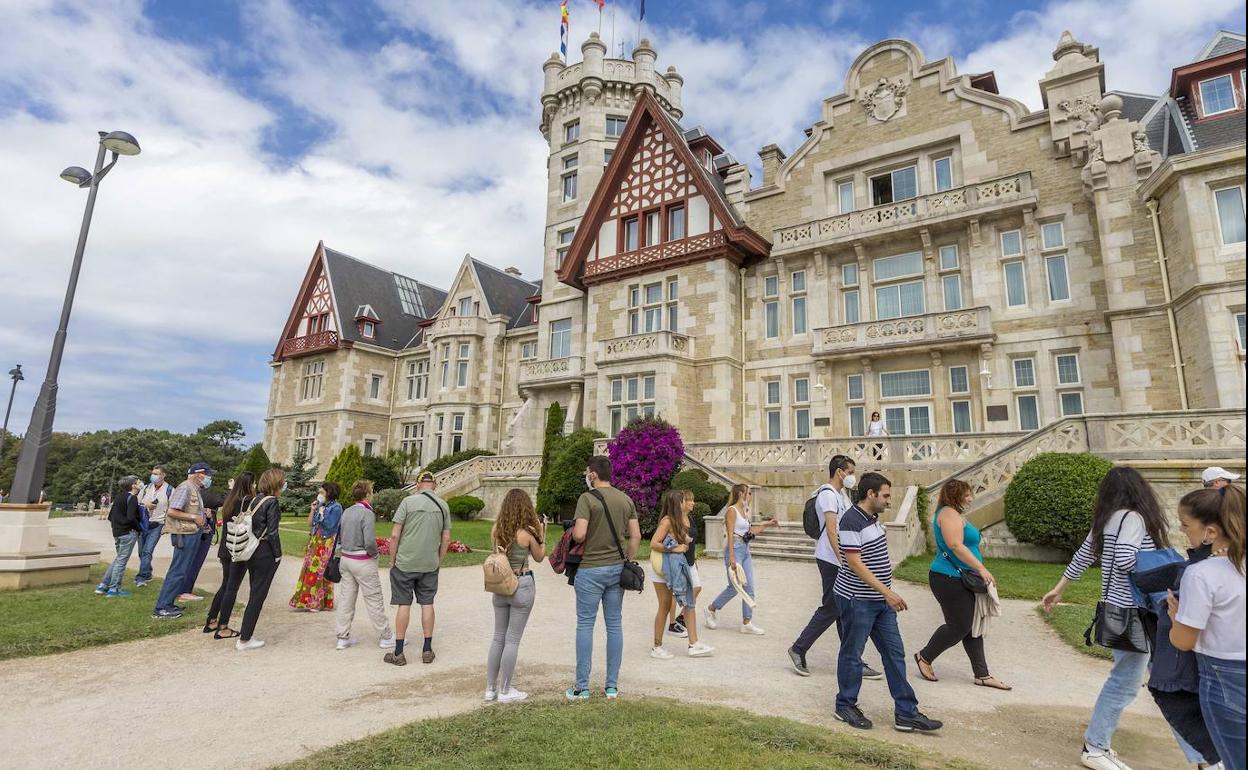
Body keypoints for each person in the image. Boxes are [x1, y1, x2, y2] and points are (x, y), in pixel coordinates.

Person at [1042, 466, 1173, 770]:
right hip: (1133, 611)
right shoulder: (1135, 518)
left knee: (1127, 677)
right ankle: (1095, 746)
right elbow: (1127, 558)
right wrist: (1159, 567)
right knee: (1124, 682)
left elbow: (1083, 555)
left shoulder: (1107, 519)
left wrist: (1059, 588)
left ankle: (1099, 743)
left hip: (1114, 609)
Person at [834, 472, 942, 732]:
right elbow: (854, 562)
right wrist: (887, 592)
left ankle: (906, 712)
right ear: (870, 494)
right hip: (857, 599)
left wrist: (885, 594)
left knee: (895, 653)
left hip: (880, 602)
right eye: (885, 495)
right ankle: (845, 705)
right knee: (852, 654)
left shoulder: (872, 518)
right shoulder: (850, 520)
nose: (889, 500)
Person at [1169, 485, 1245, 770]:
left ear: (1210, 532)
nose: (1182, 530)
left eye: (1186, 525)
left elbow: (1183, 641)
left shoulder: (1201, 573)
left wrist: (1176, 619)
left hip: (1224, 676)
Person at [789, 455, 880, 679]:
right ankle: (798, 648)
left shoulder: (841, 496)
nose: (852, 476)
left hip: (837, 558)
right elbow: (831, 530)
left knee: (843, 610)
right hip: (831, 559)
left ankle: (854, 660)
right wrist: (844, 560)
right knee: (832, 607)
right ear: (839, 471)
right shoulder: (828, 495)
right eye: (850, 472)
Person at [914, 479, 1010, 689]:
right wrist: (981, 568)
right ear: (954, 495)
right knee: (960, 625)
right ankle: (924, 656)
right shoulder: (948, 513)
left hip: (959, 578)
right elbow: (955, 545)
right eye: (966, 495)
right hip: (948, 578)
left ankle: (982, 674)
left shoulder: (952, 513)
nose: (970, 499)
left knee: (969, 626)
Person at [566, 455, 641, 702]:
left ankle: (582, 687)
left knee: (585, 624)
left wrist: (573, 530)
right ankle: (611, 686)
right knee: (614, 625)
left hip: (590, 568)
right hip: (615, 569)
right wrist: (627, 559)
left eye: (588, 472)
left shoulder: (587, 499)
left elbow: (579, 535)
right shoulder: (625, 499)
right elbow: (636, 536)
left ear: (594, 475)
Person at [485, 488, 546, 703]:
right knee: (512, 639)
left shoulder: (496, 529)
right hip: (522, 583)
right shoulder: (527, 533)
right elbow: (539, 557)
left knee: (498, 637)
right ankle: (505, 689)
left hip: (501, 585)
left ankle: (490, 688)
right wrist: (542, 535)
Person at [215, 468, 284, 651]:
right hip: (264, 552)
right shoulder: (272, 502)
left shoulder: (254, 499)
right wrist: (278, 554)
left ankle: (244, 634)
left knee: (253, 591)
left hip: (249, 549)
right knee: (258, 595)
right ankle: (246, 638)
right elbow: (273, 532)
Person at [386, 471, 450, 666]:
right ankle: (427, 649)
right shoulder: (443, 505)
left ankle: (398, 652)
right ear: (435, 485)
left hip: (405, 562)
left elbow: (395, 535)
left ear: (417, 484)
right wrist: (438, 560)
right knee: (427, 603)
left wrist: (392, 559)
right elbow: (446, 538)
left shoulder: (408, 502)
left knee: (404, 604)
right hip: (429, 563)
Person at [650, 489, 714, 659]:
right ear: (676, 504)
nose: (685, 502)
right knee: (664, 606)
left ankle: (694, 643)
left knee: (689, 603)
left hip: (678, 567)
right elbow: (653, 543)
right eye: (682, 500)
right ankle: (657, 647)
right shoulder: (667, 521)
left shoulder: (680, 520)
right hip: (663, 568)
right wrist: (674, 548)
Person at [706, 484, 777, 634]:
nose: (751, 496)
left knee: (749, 587)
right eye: (749, 493)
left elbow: (749, 531)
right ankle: (711, 609)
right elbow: (731, 534)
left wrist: (767, 524)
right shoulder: (731, 511)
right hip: (735, 550)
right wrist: (732, 557)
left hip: (745, 550)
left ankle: (747, 622)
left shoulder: (744, 511)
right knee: (734, 588)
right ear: (741, 494)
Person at [335, 480, 395, 652]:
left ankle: (342, 637)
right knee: (374, 598)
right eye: (372, 491)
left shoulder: (347, 511)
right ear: (367, 494)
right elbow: (369, 540)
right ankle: (385, 636)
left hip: (346, 559)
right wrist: (374, 553)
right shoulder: (367, 513)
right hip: (362, 560)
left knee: (346, 599)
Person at [153, 462, 215, 619]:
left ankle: (168, 603)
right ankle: (162, 607)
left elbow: (187, 508)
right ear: (199, 474)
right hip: (185, 534)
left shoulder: (193, 488)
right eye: (208, 475)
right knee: (178, 570)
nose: (209, 478)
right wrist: (194, 517)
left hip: (191, 533)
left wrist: (202, 513)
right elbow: (172, 511)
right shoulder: (185, 487)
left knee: (182, 569)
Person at [203, 472, 254, 638]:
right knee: (232, 587)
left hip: (226, 547)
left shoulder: (229, 501)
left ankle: (212, 620)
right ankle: (223, 626)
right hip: (237, 548)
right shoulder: (246, 502)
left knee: (225, 585)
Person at [290, 481, 342, 612]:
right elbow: (310, 523)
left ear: (329, 493)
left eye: (322, 492)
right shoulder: (321, 506)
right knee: (310, 570)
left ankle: (317, 603)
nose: (320, 494)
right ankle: (305, 600)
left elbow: (330, 525)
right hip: (315, 540)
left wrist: (321, 514)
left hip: (326, 543)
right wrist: (313, 510)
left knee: (320, 571)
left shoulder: (336, 508)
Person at [96, 476, 143, 597]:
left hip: (117, 532)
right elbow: (131, 517)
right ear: (133, 485)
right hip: (128, 533)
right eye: (138, 482)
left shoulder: (119, 497)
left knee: (119, 559)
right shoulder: (132, 498)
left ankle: (104, 585)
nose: (140, 483)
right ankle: (114, 589)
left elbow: (111, 516)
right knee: (121, 561)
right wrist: (139, 528)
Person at [177, 484, 221, 604]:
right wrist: (231, 488)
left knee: (187, 561)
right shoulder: (197, 492)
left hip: (189, 530)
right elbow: (220, 500)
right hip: (197, 531)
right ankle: (184, 590)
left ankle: (180, 589)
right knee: (194, 561)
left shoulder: (187, 490)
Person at [135, 466, 172, 588]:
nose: (153, 476)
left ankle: (141, 577)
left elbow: (171, 509)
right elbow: (137, 502)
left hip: (157, 524)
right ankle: (148, 572)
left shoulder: (170, 490)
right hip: (143, 523)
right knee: (141, 552)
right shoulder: (146, 488)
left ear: (163, 475)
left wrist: (166, 526)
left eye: (156, 474)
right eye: (152, 473)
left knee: (147, 551)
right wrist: (146, 504)